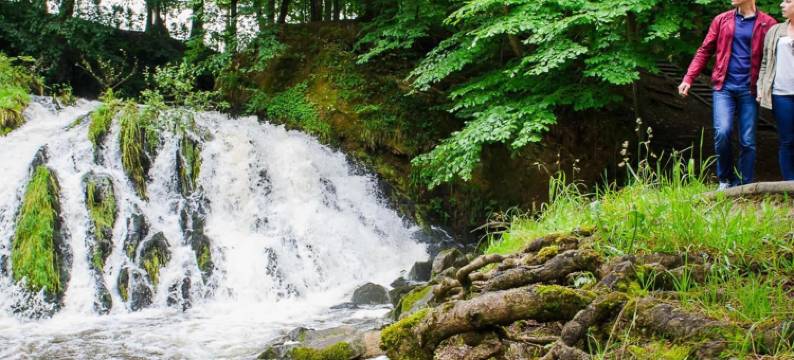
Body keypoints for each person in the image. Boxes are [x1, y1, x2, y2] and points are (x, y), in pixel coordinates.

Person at [679, 0, 777, 189]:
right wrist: (688, 78)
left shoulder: (768, 23)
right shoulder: (721, 20)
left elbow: (774, 58)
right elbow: (705, 50)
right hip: (724, 87)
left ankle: (745, 184)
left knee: (747, 140)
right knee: (722, 132)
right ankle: (725, 180)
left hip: (750, 90)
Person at [758, 0, 794, 180]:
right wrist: (761, 86)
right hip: (781, 94)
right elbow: (765, 63)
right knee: (787, 140)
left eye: (788, 1)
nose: (781, 4)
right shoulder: (775, 31)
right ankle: (790, 185)